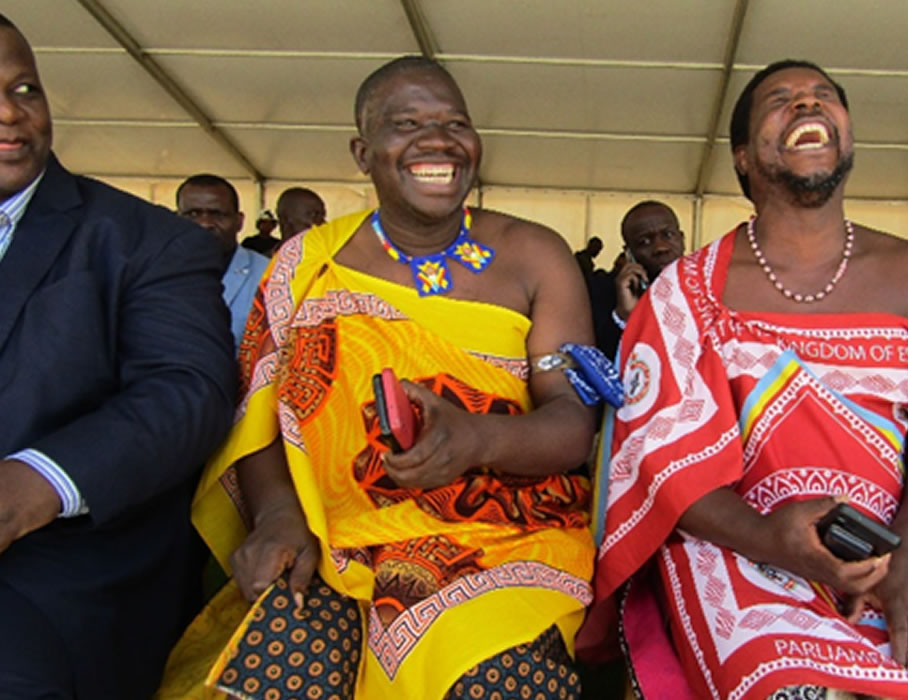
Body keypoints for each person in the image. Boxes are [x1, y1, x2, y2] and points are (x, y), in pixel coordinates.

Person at [160, 55, 598, 700]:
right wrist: (279, 515)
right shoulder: (306, 263)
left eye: (455, 122)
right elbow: (261, 414)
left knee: (500, 684)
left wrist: (475, 440)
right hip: (331, 538)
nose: (438, 139)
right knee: (267, 681)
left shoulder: (536, 255)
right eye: (407, 123)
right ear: (363, 152)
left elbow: (570, 427)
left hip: (502, 542)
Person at [592, 59, 908, 700]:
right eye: (780, 100)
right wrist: (768, 538)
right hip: (733, 546)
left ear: (849, 136)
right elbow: (658, 460)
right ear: (743, 159)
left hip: (893, 548)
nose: (807, 106)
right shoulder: (682, 293)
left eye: (823, 97)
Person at [0, 14, 237, 699]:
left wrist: (30, 486)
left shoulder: (143, 241)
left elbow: (188, 392)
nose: (11, 113)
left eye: (26, 89)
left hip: (51, 576)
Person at [177, 174, 271, 348]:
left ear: (239, 222)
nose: (205, 223)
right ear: (176, 219)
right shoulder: (154, 271)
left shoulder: (269, 275)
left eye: (217, 214)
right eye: (193, 214)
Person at [591, 200, 685, 360]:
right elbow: (602, 362)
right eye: (644, 242)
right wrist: (623, 317)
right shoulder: (606, 291)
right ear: (629, 252)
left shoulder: (707, 285)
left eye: (668, 235)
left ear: (682, 239)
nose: (661, 247)